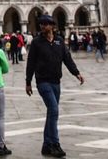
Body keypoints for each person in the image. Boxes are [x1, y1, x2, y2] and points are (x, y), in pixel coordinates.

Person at [26, 15, 84, 158]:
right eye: (41, 24)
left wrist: (76, 73)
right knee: (53, 109)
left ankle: (46, 144)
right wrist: (28, 82)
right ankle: (55, 144)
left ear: (52, 26)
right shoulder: (36, 42)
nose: (43, 26)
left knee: (51, 112)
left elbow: (67, 59)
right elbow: (31, 62)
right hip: (43, 81)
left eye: (46, 24)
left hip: (56, 82)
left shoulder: (59, 41)